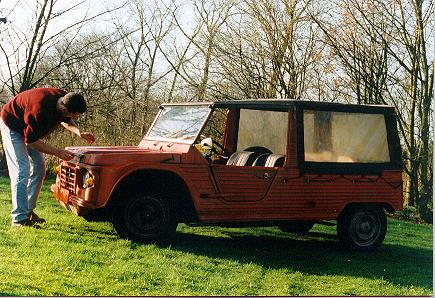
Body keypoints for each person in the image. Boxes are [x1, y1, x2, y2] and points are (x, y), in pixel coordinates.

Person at [0, 87, 95, 227]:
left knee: (39, 169)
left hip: (29, 131)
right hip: (12, 125)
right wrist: (57, 152)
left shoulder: (65, 98)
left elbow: (66, 120)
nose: (74, 118)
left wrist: (79, 132)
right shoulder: (39, 109)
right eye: (73, 115)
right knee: (22, 170)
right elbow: (31, 141)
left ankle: (28, 212)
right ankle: (19, 219)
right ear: (64, 108)